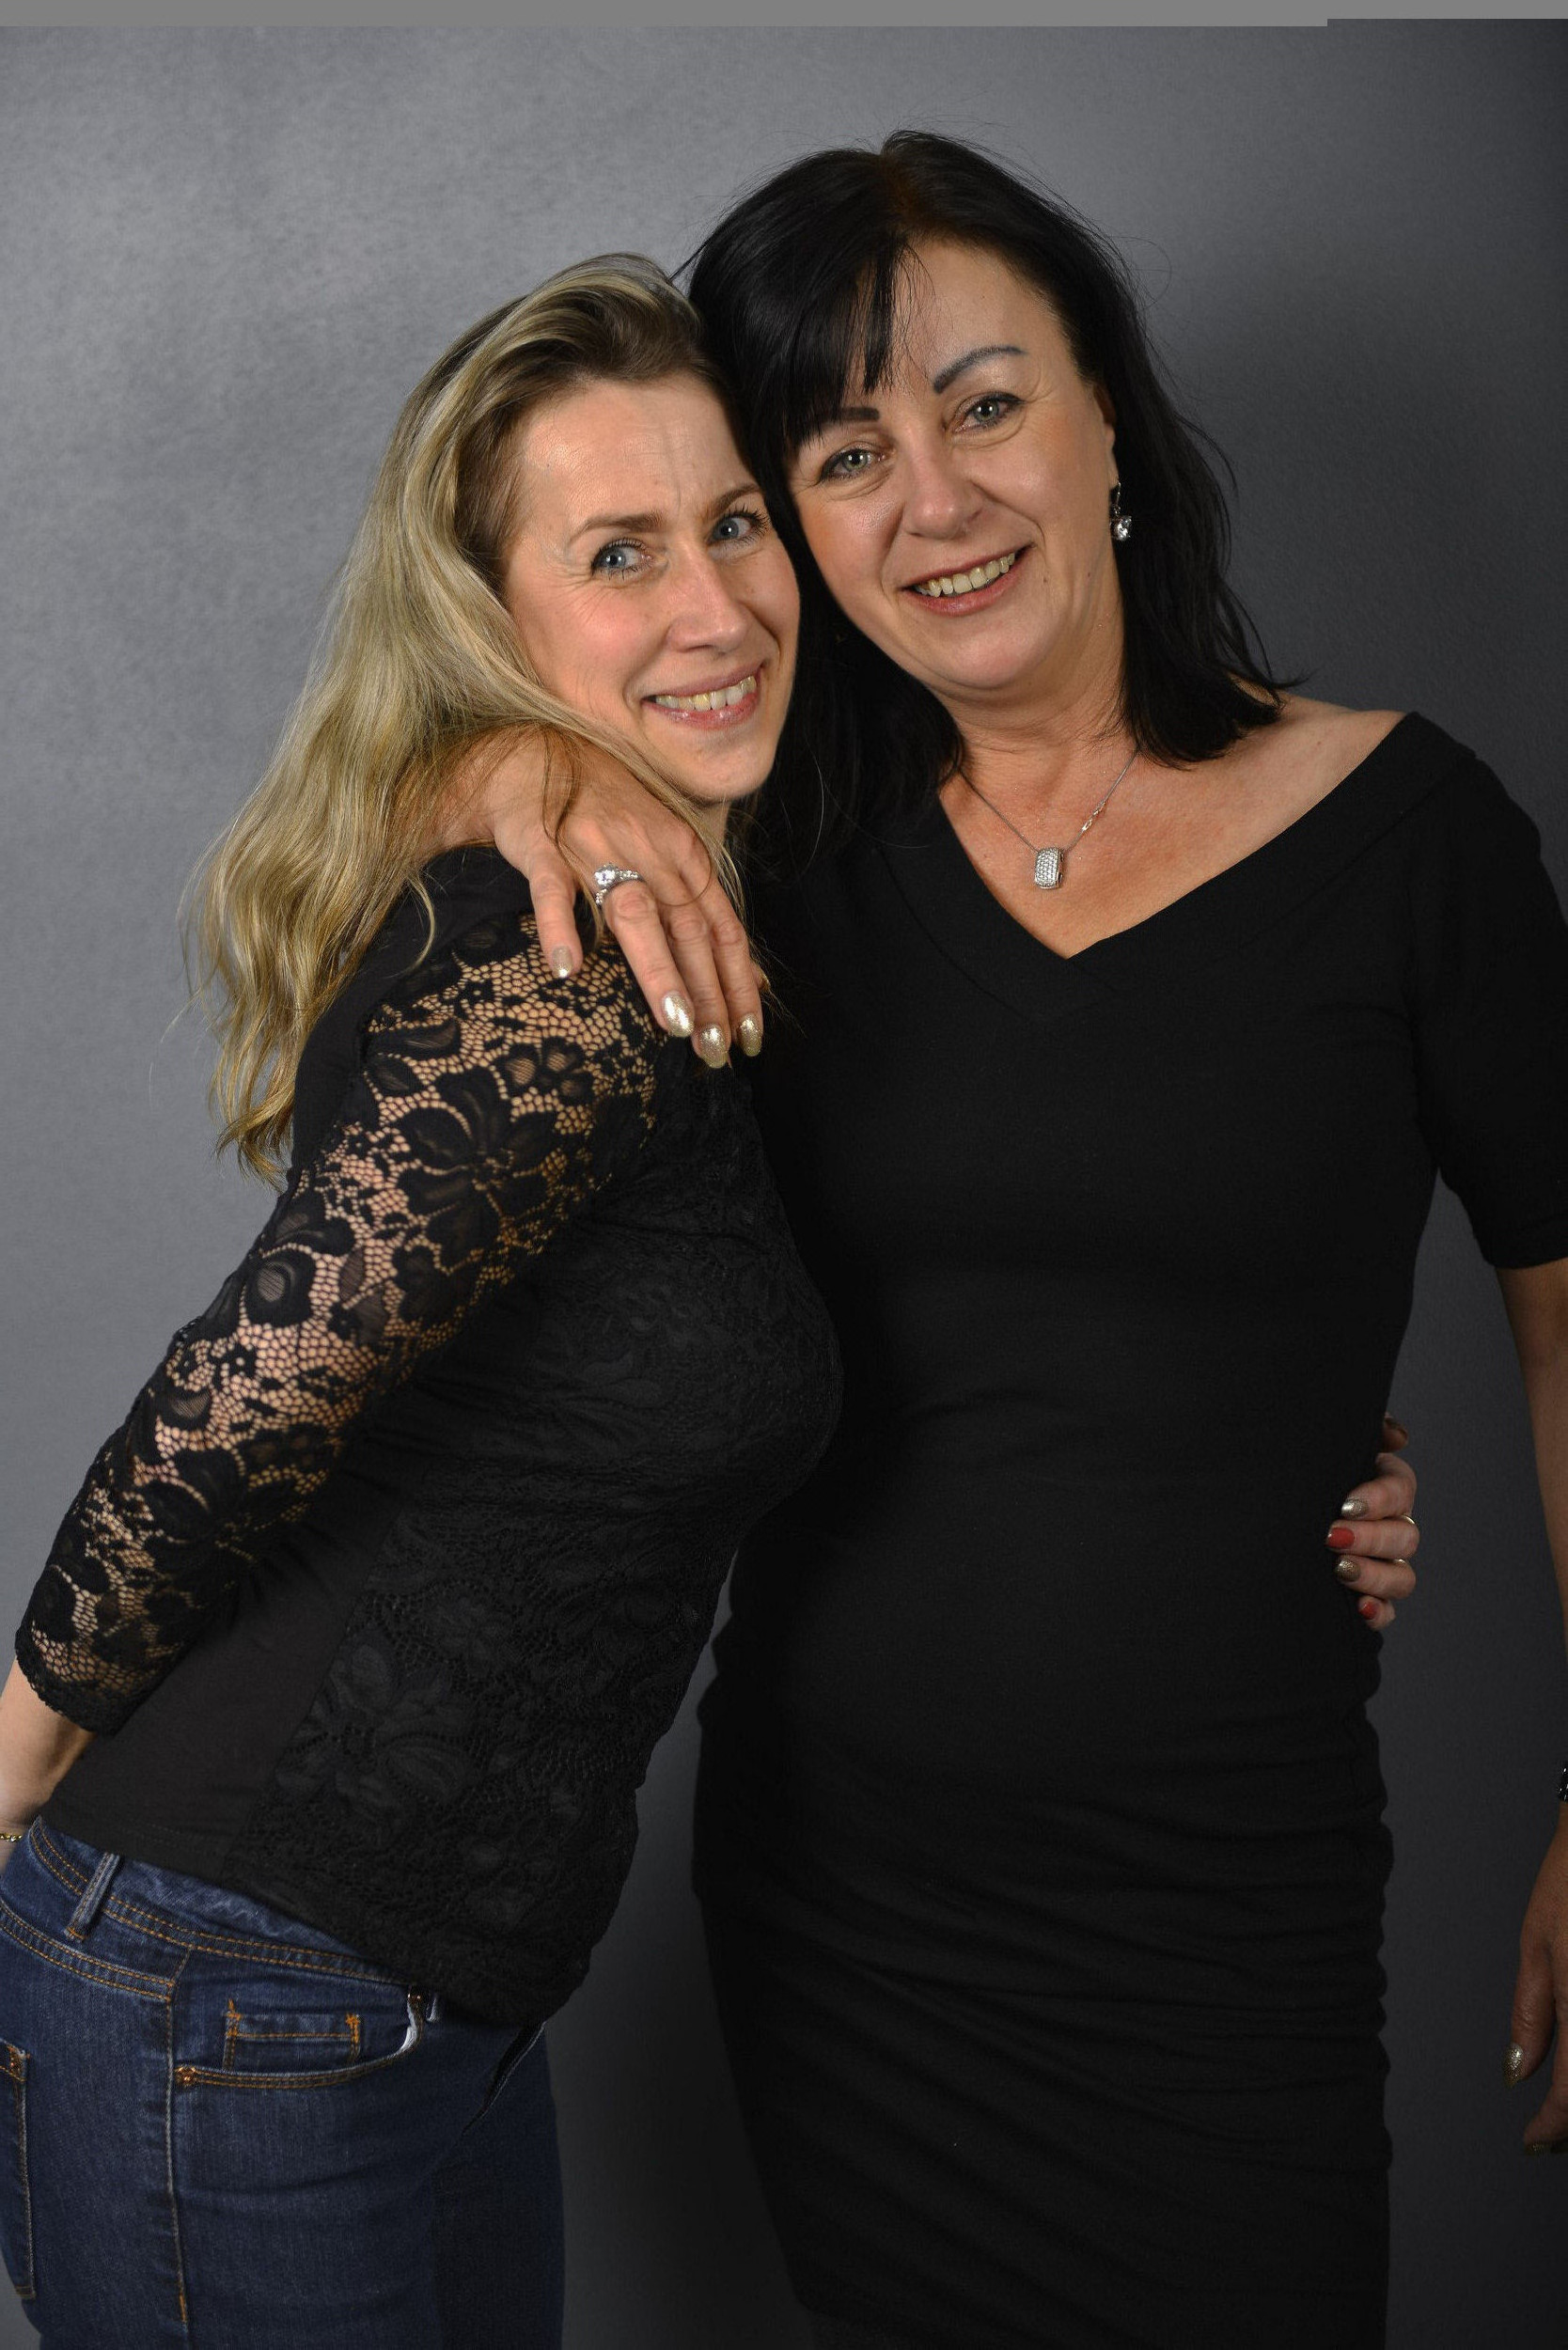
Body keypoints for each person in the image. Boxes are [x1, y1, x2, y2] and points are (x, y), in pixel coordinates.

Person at [461, 133, 1567, 2348]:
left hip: (1224, 1895)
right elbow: (364, 838)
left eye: (984, 405)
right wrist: (513, 772)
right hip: (850, 1913)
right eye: (842, 457)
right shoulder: (755, 857)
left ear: (1107, 422)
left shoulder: (1412, 839)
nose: (935, 503)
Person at [0, 256, 842, 2348]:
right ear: (490, 620)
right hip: (231, 1985)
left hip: (413, 2006)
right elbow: (251, 1387)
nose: (717, 607)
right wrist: (2, 1764)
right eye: (618, 553)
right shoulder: (555, 965)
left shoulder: (652, 892)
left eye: (736, 522)